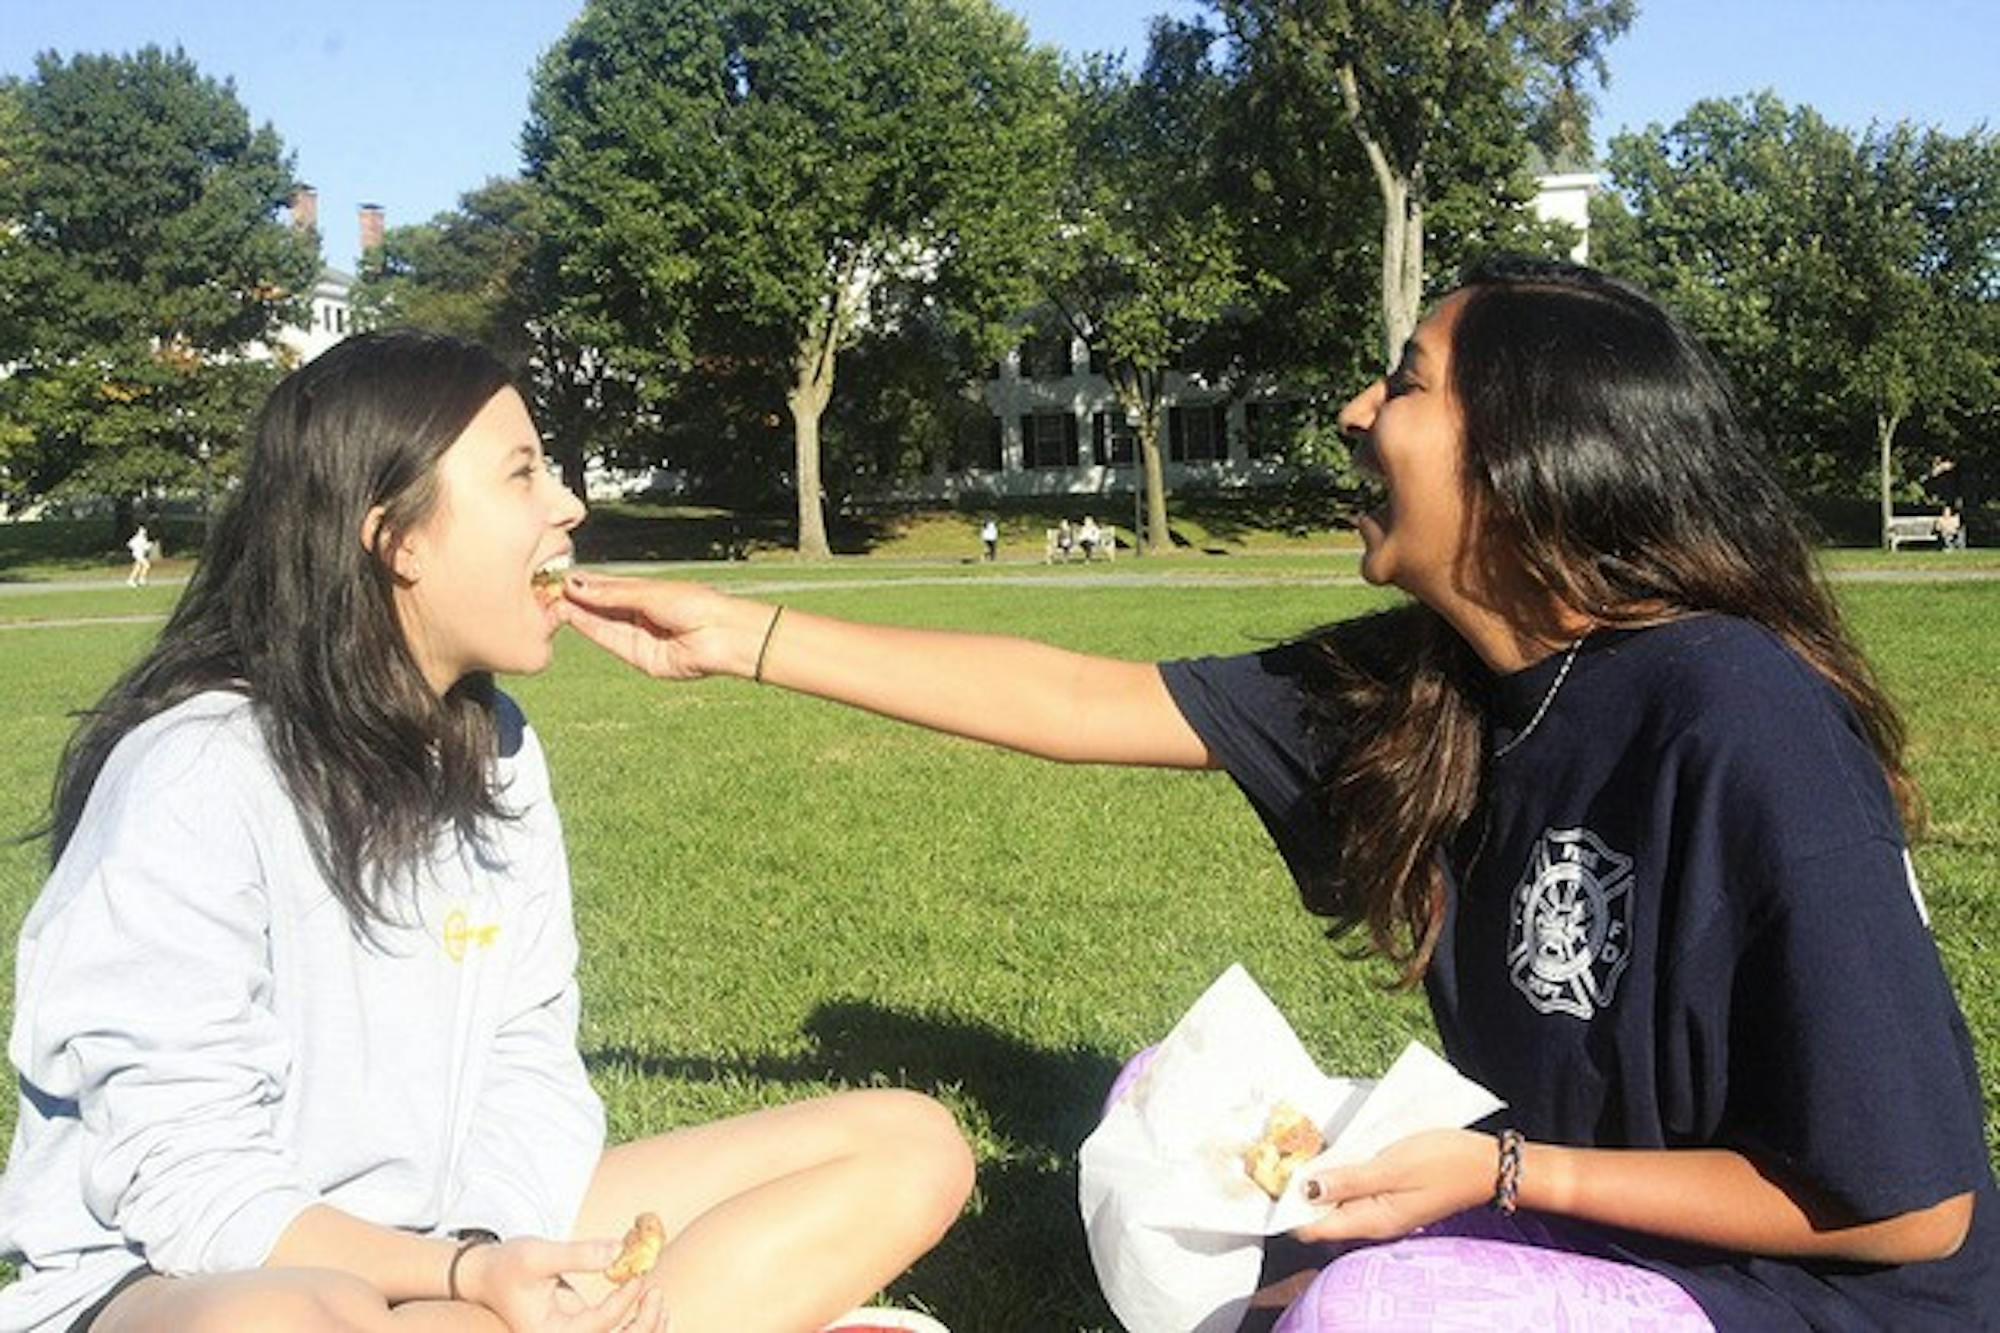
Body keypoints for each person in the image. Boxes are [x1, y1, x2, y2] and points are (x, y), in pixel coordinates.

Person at [555, 259, 1997, 1331]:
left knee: (1371, 1311)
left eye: (1409, 380)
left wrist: (1498, 1180)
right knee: (1166, 1115)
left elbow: (1906, 1207)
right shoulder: (1434, 683)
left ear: (1532, 446)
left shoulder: (1735, 709)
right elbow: (1080, 700)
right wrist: (743, 637)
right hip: (1593, 1231)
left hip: (1822, 1300)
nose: (1360, 407)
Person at [0, 332, 974, 1333]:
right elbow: (182, 1178)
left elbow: (527, 1051)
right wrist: (460, 1279)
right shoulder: (199, 771)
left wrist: (493, 1248)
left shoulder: (495, 746)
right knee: (295, 1319)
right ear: (396, 538)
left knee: (906, 1146)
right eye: (522, 474)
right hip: (188, 1278)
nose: (568, 504)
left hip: (446, 1240)